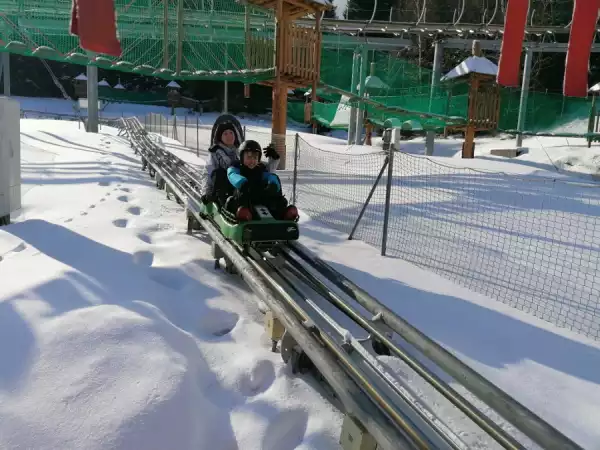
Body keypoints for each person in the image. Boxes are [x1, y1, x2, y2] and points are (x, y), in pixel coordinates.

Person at [224, 140, 288, 219]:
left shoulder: (260, 169)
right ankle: (243, 214)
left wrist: (272, 184)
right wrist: (242, 182)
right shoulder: (237, 167)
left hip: (259, 198)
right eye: (249, 157)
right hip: (243, 198)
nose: (252, 161)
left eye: (255, 158)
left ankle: (280, 213)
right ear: (241, 157)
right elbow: (232, 174)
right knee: (235, 198)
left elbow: (270, 176)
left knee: (275, 180)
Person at [201, 120, 243, 206]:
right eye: (225, 134)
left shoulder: (241, 151)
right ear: (220, 137)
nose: (229, 136)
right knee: (219, 173)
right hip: (222, 190)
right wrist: (206, 192)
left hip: (239, 188)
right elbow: (208, 173)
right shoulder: (215, 153)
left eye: (231, 132)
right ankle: (223, 205)